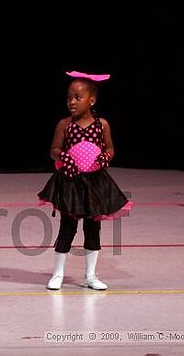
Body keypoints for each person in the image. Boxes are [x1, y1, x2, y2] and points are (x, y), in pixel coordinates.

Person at [38, 70, 132, 291]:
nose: (71, 102)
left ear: (92, 99)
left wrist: (105, 156)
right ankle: (58, 274)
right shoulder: (65, 125)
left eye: (77, 98)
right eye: (69, 97)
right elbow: (54, 149)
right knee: (67, 227)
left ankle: (90, 275)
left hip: (94, 183)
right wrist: (63, 157)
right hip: (71, 182)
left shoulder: (102, 125)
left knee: (93, 228)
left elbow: (109, 148)